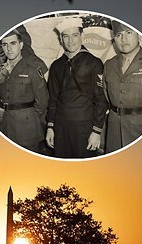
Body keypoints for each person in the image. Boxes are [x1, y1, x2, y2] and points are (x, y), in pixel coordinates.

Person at [46, 17, 108, 158]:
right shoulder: (56, 65)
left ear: (82, 36)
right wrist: (50, 127)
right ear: (61, 39)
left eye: (75, 35)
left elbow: (101, 100)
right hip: (61, 127)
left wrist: (96, 131)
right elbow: (53, 99)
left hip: (85, 127)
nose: (70, 41)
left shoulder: (94, 63)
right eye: (66, 36)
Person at [104, 20, 142, 152]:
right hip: (114, 130)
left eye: (128, 32)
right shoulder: (109, 65)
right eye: (118, 35)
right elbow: (107, 96)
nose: (123, 39)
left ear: (138, 35)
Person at [0, 30, 49, 153]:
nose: (9, 49)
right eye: (5, 45)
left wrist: (33, 120)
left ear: (21, 45)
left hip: (29, 128)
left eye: (13, 43)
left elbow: (42, 102)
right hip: (5, 127)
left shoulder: (32, 70)